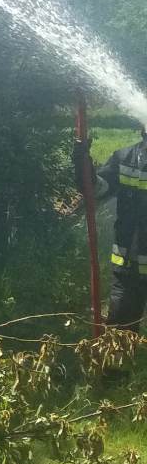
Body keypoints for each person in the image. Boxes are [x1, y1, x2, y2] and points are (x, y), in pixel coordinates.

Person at [74, 125, 147, 328]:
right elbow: (96, 189)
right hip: (127, 268)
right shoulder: (124, 158)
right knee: (119, 334)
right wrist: (82, 164)